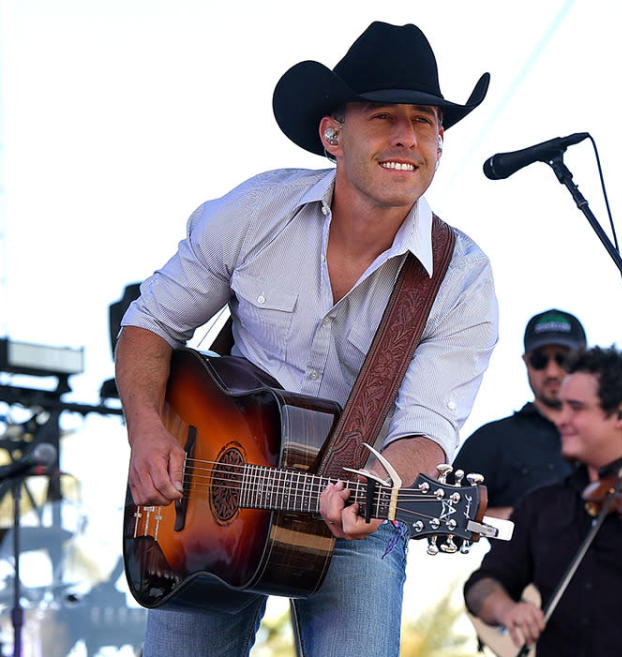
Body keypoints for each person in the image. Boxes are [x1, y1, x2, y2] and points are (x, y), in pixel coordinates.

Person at [115, 21, 497, 657]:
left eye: (424, 121)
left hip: (357, 505)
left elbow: (426, 431)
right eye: (383, 117)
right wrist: (148, 432)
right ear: (333, 134)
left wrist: (380, 487)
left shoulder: (461, 279)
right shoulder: (256, 212)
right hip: (201, 502)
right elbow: (150, 323)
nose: (407, 137)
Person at [464, 346, 622, 657]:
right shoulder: (541, 504)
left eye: (576, 408)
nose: (561, 419)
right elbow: (481, 585)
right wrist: (506, 610)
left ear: (621, 415)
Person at [453, 309, 585, 519]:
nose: (551, 371)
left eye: (564, 359)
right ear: (526, 361)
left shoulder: (610, 433)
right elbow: (445, 514)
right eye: (540, 360)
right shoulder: (493, 439)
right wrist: (519, 520)